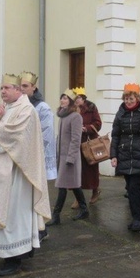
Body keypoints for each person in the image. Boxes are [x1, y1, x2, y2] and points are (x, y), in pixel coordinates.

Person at [0, 74, 52, 277]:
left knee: (14, 217)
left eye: (7, 88)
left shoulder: (27, 110)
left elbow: (14, 136)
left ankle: (14, 257)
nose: (2, 91)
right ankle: (14, 253)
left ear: (18, 90)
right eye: (1, 88)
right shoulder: (2, 108)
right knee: (3, 214)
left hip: (17, 175)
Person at [110, 83, 140, 232]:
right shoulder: (120, 113)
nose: (128, 101)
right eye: (126, 99)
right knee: (129, 188)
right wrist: (113, 155)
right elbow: (115, 135)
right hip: (124, 153)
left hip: (139, 153)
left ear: (137, 98)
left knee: (135, 187)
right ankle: (136, 215)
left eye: (131, 98)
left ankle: (138, 218)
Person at [20, 71, 57, 241]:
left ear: (34, 87)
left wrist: (32, 152)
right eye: (20, 86)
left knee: (37, 194)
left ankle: (41, 230)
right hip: (22, 157)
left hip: (36, 157)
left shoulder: (42, 107)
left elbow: (46, 134)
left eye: (25, 86)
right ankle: (30, 228)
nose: (22, 89)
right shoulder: (19, 105)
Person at [46, 89, 90, 225]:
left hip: (70, 158)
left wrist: (70, 158)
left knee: (62, 185)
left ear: (70, 102)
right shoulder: (63, 116)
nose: (62, 100)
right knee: (73, 184)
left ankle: (56, 215)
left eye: (65, 98)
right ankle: (84, 209)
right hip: (62, 157)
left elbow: (76, 139)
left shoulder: (76, 116)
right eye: (62, 98)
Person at [73, 87, 103, 205]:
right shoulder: (72, 109)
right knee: (77, 170)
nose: (76, 100)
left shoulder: (91, 107)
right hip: (76, 143)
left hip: (90, 143)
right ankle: (78, 197)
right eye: (75, 98)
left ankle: (95, 190)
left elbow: (98, 123)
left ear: (83, 98)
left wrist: (87, 128)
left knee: (91, 168)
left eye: (78, 98)